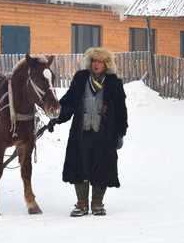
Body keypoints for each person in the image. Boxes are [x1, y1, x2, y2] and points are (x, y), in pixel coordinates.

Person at [48, 47, 128, 217]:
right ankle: (82, 204)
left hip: (105, 134)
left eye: (99, 61)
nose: (96, 64)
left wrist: (120, 133)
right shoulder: (81, 79)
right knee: (81, 166)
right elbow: (69, 101)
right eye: (93, 61)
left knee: (102, 166)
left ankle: (98, 203)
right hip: (81, 133)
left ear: (106, 64)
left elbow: (121, 110)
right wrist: (56, 118)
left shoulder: (114, 83)